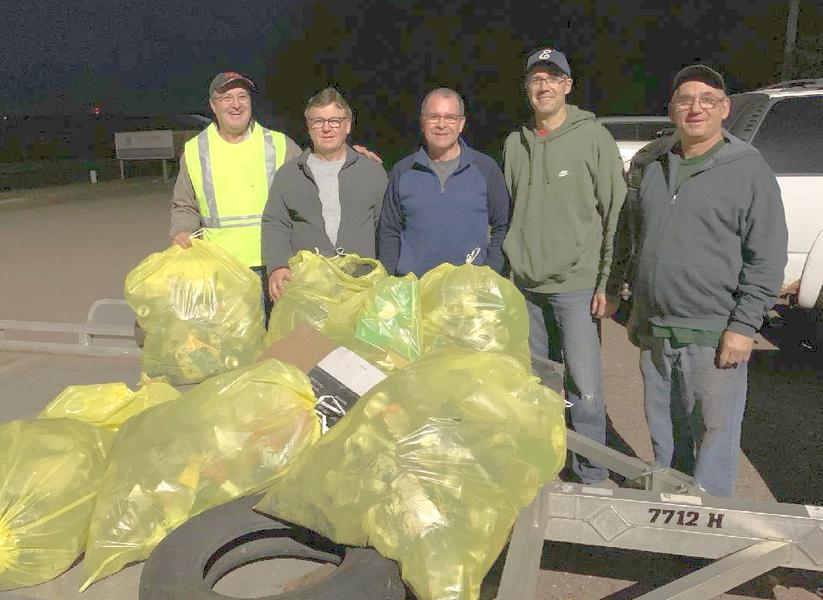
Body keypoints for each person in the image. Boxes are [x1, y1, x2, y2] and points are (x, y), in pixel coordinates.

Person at [612, 65, 787, 496]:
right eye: (685, 99)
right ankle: (669, 515)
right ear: (671, 109)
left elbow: (766, 256)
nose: (696, 108)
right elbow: (637, 238)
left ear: (725, 108)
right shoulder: (652, 162)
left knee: (713, 436)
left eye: (707, 100)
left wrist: (744, 327)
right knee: (666, 437)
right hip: (656, 328)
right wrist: (637, 308)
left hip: (713, 331)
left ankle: (708, 532)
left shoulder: (747, 169)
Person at [502, 48, 626, 486]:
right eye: (536, 78)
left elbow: (617, 215)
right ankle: (542, 470)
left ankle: (591, 475)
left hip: (576, 287)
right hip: (526, 288)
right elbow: (511, 210)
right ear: (527, 88)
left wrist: (609, 282)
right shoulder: (514, 143)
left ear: (568, 86)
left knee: (585, 392)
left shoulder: (593, 138)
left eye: (553, 78)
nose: (544, 86)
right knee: (535, 390)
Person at [169, 71, 301, 315]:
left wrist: (352, 157)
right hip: (221, 269)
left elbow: (316, 179)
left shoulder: (280, 144)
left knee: (280, 347)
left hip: (276, 266)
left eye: (242, 96)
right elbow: (185, 205)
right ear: (213, 105)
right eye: (227, 98)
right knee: (236, 348)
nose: (236, 104)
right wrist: (182, 230)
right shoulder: (196, 150)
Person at [262, 87, 388, 300]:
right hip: (307, 290)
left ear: (347, 125)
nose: (326, 128)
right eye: (318, 122)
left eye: (335, 121)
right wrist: (277, 266)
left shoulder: (372, 172)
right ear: (309, 127)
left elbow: (384, 226)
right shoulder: (290, 174)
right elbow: (275, 223)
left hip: (359, 289)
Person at [378, 87, 509, 277]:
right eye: (434, 117)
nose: (441, 124)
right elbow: (389, 231)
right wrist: (389, 280)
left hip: (469, 291)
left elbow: (502, 225)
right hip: (416, 288)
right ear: (422, 122)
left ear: (461, 124)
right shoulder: (403, 171)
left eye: (450, 118)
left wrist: (489, 270)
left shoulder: (485, 168)